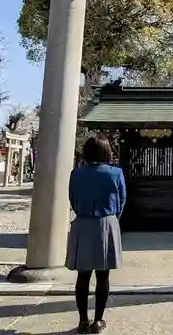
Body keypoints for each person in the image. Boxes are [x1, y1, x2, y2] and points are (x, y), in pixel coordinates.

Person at [66, 134, 126, 333]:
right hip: (106, 222)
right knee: (103, 275)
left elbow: (72, 200)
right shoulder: (115, 173)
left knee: (83, 276)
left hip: (82, 222)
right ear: (107, 152)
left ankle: (83, 320)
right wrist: (111, 218)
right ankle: (98, 320)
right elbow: (121, 200)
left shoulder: (76, 174)